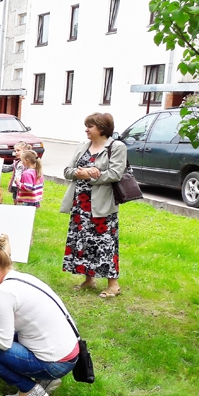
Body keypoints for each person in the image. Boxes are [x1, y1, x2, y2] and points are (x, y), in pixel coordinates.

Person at [0, 235, 79, 396]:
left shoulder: (3, 292)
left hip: (55, 363)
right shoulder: (21, 278)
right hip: (69, 353)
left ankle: (29, 389)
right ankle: (45, 380)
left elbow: (3, 342)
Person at [61, 113, 125, 299]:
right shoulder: (83, 146)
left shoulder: (116, 146)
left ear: (102, 128)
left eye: (90, 126)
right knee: (83, 241)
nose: (86, 129)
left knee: (105, 243)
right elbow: (67, 171)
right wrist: (82, 173)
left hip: (102, 204)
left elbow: (116, 173)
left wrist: (90, 176)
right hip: (80, 204)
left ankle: (113, 285)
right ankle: (89, 280)